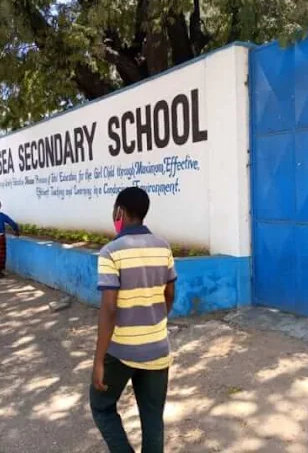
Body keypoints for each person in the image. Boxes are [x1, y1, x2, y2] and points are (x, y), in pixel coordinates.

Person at [90, 187, 176, 453]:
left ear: (120, 211)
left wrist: (98, 360)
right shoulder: (163, 247)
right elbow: (170, 294)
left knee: (101, 406)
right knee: (152, 419)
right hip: (158, 348)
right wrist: (153, 320)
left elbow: (109, 309)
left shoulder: (110, 252)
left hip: (121, 352)